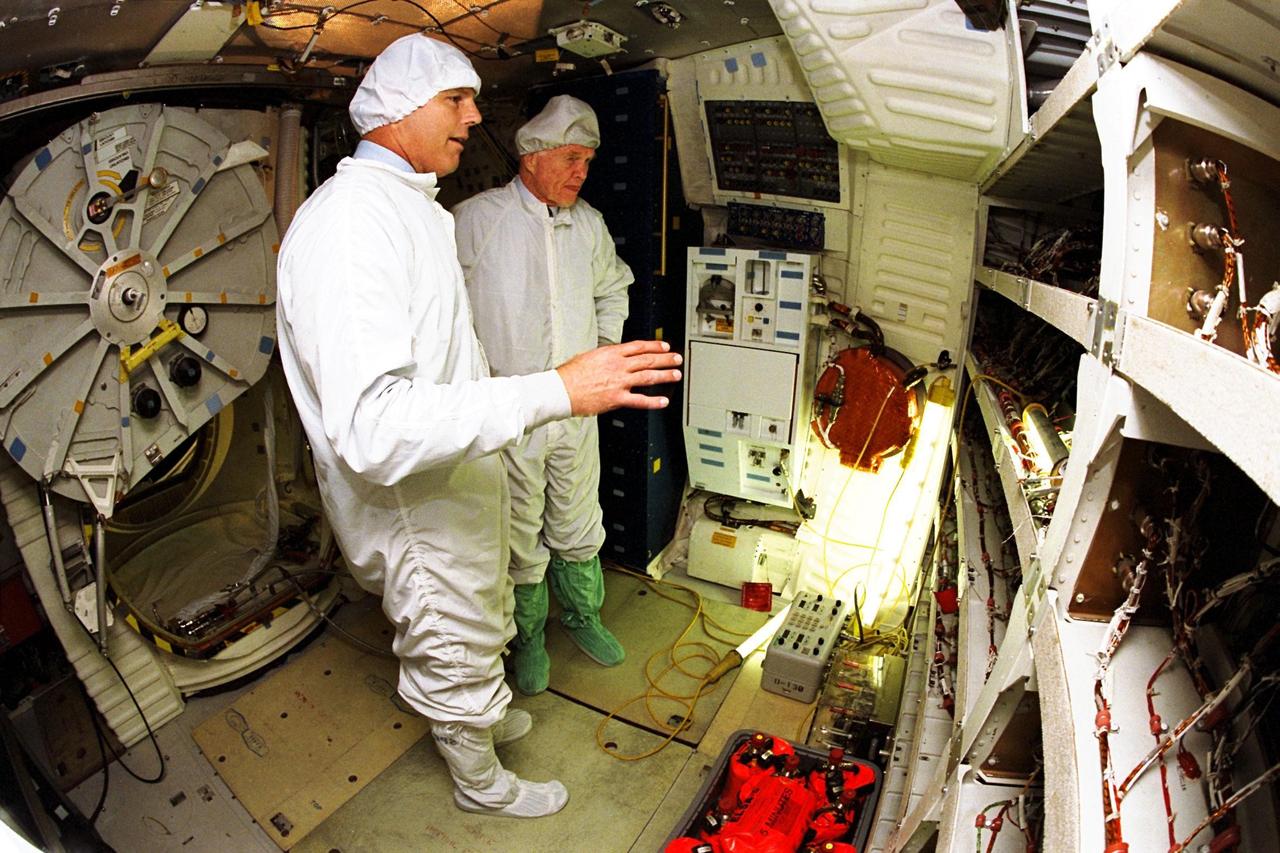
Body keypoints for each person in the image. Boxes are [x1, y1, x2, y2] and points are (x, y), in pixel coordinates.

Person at [273, 34, 681, 820]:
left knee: (485, 604)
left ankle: (484, 715)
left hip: (463, 465)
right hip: (416, 500)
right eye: (456, 100)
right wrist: (548, 389)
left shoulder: (407, 208)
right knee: (449, 635)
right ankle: (481, 782)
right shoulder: (355, 226)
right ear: (399, 107)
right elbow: (374, 425)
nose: (474, 115)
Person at [452, 96, 631, 698]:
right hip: (515, 411)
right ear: (531, 158)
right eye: (572, 158)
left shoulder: (589, 224)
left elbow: (613, 289)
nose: (582, 172)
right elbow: (445, 314)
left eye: (588, 161)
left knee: (579, 518)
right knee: (520, 531)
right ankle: (527, 638)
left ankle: (583, 617)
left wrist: (604, 357)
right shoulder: (476, 221)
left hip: (579, 409)